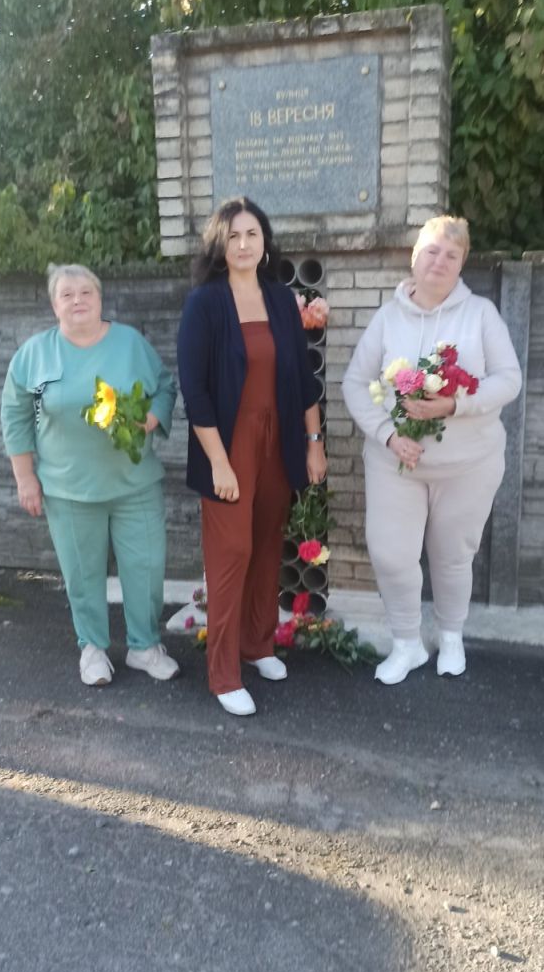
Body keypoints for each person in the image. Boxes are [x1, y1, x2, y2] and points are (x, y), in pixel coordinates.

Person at [342, 215, 522, 684]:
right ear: (414, 257)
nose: (440, 261)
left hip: (468, 465)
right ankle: (407, 644)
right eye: (432, 251)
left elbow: (509, 379)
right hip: (396, 463)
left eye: (452, 254)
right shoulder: (387, 317)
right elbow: (355, 383)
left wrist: (455, 404)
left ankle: (451, 636)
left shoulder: (481, 314)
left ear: (462, 264)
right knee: (390, 553)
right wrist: (387, 434)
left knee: (453, 555)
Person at [177, 197, 326, 717]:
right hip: (227, 443)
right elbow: (194, 389)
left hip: (278, 440)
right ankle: (223, 674)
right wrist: (219, 462)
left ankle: (258, 644)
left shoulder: (281, 300)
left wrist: (314, 442)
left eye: (252, 234)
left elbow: (302, 377)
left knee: (266, 545)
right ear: (219, 244)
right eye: (233, 235)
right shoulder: (205, 303)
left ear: (265, 244)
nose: (243, 244)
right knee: (231, 553)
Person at [1, 263, 179, 686]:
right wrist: (25, 478)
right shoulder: (35, 355)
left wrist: (153, 418)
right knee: (82, 574)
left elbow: (165, 386)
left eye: (86, 292)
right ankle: (93, 649)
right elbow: (16, 415)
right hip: (68, 489)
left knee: (146, 567)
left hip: (135, 484)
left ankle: (145, 646)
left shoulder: (130, 344)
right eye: (67, 294)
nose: (77, 300)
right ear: (54, 304)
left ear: (100, 299)